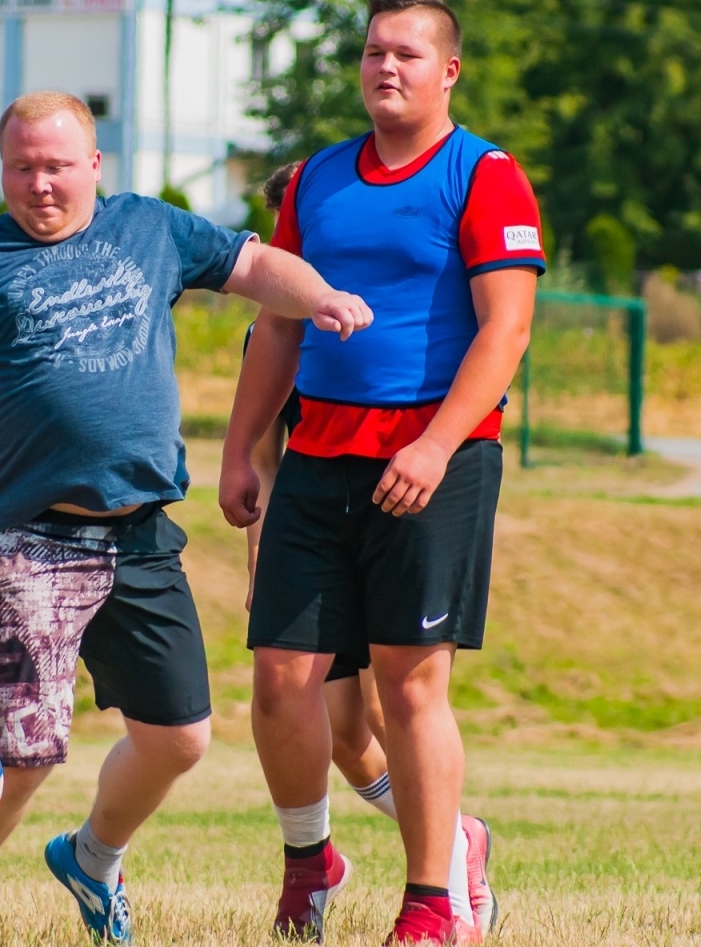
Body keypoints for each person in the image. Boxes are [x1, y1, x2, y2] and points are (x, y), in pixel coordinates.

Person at [0, 91, 372, 947]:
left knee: (181, 739)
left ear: (94, 165)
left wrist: (319, 296)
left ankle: (91, 858)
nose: (40, 185)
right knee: (23, 752)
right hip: (27, 539)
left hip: (143, 532)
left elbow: (252, 263)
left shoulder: (150, 230)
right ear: (3, 168)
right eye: (22, 168)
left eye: (57, 167)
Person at [220, 0, 543, 945]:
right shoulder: (313, 182)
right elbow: (278, 324)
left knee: (410, 687)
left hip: (435, 460)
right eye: (371, 53)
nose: (384, 68)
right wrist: (242, 449)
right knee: (282, 681)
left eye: (405, 54)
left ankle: (433, 899)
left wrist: (437, 444)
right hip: (319, 459)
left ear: (448, 72)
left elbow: (508, 328)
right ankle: (308, 862)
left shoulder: (484, 176)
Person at [240, 164, 491, 941]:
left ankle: (446, 868)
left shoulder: (373, 315)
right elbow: (267, 459)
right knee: (340, 734)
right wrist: (261, 570)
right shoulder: (277, 334)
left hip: (389, 507)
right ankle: (449, 841)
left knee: (390, 707)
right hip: (313, 525)